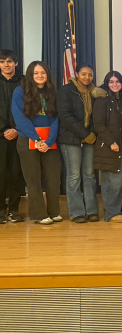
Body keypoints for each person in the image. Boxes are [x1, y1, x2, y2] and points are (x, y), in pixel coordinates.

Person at [12, 61, 61, 225]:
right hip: (28, 139)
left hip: (49, 141)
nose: (40, 76)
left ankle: (54, 212)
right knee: (33, 179)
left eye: (43, 73)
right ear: (30, 75)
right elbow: (20, 118)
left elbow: (56, 118)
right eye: (36, 73)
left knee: (54, 178)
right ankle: (39, 214)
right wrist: (37, 139)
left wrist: (48, 140)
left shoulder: (53, 92)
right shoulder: (20, 92)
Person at [58, 63, 106, 223]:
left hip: (90, 140)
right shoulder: (66, 91)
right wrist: (85, 134)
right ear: (77, 74)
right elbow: (65, 117)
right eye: (84, 74)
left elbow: (97, 117)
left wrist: (91, 134)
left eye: (90, 75)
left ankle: (92, 210)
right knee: (73, 176)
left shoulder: (95, 93)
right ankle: (77, 212)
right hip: (70, 139)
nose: (87, 78)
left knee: (90, 175)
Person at [93, 71, 122, 223]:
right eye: (111, 82)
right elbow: (98, 125)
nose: (115, 84)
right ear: (106, 84)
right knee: (112, 181)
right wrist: (111, 142)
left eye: (117, 81)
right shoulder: (102, 101)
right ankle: (111, 213)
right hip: (109, 146)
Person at [0, 49, 25, 223]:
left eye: (9, 61)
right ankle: (1, 210)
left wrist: (17, 129)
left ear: (16, 63)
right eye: (2, 62)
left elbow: (31, 108)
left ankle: (14, 209)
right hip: (0, 136)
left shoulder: (24, 82)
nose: (6, 65)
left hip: (20, 134)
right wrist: (3, 130)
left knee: (17, 173)